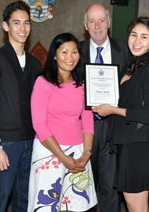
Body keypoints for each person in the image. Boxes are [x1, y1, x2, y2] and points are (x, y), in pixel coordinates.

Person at [92, 17, 149, 212]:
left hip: (138, 146)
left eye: (144, 36)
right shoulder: (131, 66)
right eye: (133, 35)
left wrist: (112, 110)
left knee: (137, 207)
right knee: (132, 206)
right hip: (126, 143)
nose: (137, 41)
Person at [0, 0, 42, 212]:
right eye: (16, 23)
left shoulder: (35, 64)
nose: (22, 28)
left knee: (24, 202)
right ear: (5, 26)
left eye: (26, 23)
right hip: (6, 144)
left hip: (30, 142)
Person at [28, 33, 97, 212]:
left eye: (74, 52)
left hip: (78, 153)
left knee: (76, 206)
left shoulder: (82, 83)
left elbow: (88, 119)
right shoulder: (43, 82)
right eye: (64, 52)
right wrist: (62, 157)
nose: (70, 57)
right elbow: (39, 125)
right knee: (48, 207)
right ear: (55, 55)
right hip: (50, 152)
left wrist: (87, 153)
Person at [80, 3, 130, 212]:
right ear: (85, 25)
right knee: (83, 186)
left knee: (110, 186)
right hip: (85, 127)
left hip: (114, 125)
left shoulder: (126, 50)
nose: (97, 25)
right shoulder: (75, 51)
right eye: (92, 20)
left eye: (102, 20)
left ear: (109, 23)